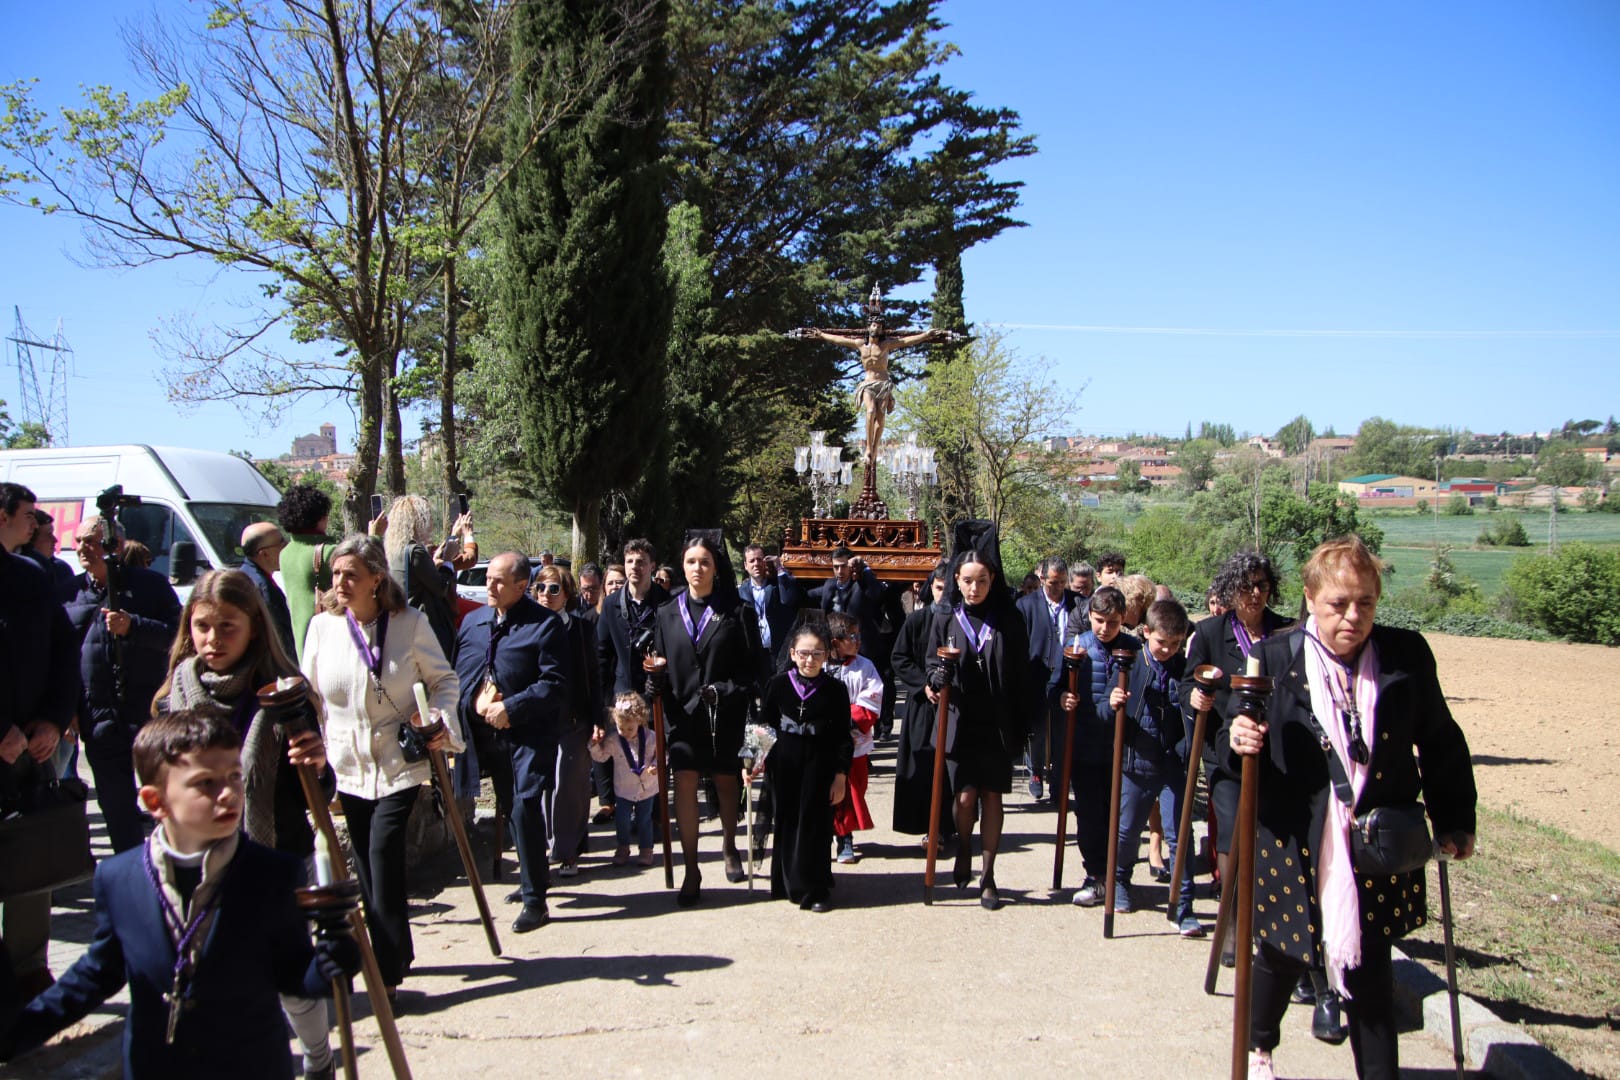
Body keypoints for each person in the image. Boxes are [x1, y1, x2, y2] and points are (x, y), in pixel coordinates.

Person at [1228, 535, 1477, 1080]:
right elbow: (1240, 725)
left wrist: (1454, 818)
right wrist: (1240, 733)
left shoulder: (1406, 654)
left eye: (1365, 602)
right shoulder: (1275, 656)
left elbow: (1439, 740)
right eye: (1339, 603)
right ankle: (1259, 1045)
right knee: (1283, 952)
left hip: (1374, 839)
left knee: (1371, 969)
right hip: (1295, 835)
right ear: (1311, 600)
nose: (1353, 616)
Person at [0, 712, 359, 1078]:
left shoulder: (273, 875)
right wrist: (17, 1034)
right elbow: (97, 974)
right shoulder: (120, 879)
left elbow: (294, 975)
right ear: (155, 802)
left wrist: (330, 965)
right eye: (205, 783)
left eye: (234, 776)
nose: (228, 794)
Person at [150, 569, 337, 1078]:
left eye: (227, 626)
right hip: (198, 864)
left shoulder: (282, 696)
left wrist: (317, 765)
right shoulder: (175, 695)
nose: (212, 640)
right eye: (202, 626)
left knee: (288, 979)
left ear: (254, 625)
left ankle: (318, 1060)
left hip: (275, 857)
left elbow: (321, 795)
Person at [301, 535, 461, 989]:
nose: (340, 582)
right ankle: (395, 950)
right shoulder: (322, 629)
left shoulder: (409, 623)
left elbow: (445, 681)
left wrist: (436, 720)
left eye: (350, 574)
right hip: (346, 767)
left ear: (376, 578)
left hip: (398, 763)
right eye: (335, 574)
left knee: (381, 854)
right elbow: (310, 695)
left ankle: (386, 975)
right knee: (367, 867)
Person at [1182, 554, 1301, 974]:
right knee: (1232, 836)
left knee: (1276, 837)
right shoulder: (1211, 632)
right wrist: (1195, 696)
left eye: (1263, 586)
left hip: (1277, 754)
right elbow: (1188, 680)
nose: (1255, 594)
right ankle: (1232, 921)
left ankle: (1277, 926)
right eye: (1248, 586)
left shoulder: (1287, 631)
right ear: (1231, 589)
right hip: (1225, 755)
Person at [452, 552, 570, 932]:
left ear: (522, 586)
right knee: (510, 807)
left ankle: (536, 901)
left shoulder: (546, 626)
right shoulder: (473, 622)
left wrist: (513, 708)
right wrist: (470, 703)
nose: (490, 585)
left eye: (499, 581)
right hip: (486, 737)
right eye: (488, 578)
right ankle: (532, 878)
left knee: (525, 805)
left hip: (529, 734)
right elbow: (457, 674)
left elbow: (554, 685)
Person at [647, 534, 759, 906]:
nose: (698, 568)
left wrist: (726, 690)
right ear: (682, 565)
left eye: (705, 562)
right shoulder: (666, 612)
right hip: (682, 716)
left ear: (716, 567)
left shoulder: (738, 611)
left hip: (724, 714)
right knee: (685, 785)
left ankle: (729, 844)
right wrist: (654, 675)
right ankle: (691, 868)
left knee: (727, 785)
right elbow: (658, 661)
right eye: (691, 561)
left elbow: (753, 670)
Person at [925, 531, 1032, 911]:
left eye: (982, 581)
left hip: (997, 721)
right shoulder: (945, 616)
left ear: (993, 580)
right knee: (965, 796)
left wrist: (1025, 719)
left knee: (992, 795)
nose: (974, 588)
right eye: (967, 581)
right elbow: (929, 664)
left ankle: (988, 876)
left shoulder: (1009, 618)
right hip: (959, 721)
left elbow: (1023, 671)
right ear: (956, 580)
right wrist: (934, 680)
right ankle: (964, 848)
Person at [67, 515, 182, 853]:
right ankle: (130, 871)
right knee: (116, 806)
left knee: (165, 797)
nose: (83, 549)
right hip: (97, 714)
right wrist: (67, 710)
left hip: (146, 709)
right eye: (78, 542)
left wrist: (134, 626)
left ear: (115, 546)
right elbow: (61, 656)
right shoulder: (69, 593)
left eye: (92, 542)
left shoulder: (150, 586)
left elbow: (177, 637)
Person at [0, 550, 79, 1002]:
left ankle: (28, 976)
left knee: (31, 869)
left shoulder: (28, 577)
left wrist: (52, 719)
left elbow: (62, 650)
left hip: (32, 750)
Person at [1107, 599, 1202, 936]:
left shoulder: (1187, 669)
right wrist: (1113, 702)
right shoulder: (1129, 665)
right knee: (1127, 831)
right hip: (1137, 762)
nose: (1167, 649)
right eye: (1162, 642)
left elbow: (1195, 716)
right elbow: (1107, 708)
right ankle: (1119, 881)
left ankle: (1183, 904)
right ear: (1146, 632)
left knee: (1180, 835)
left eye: (1175, 643)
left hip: (1174, 764)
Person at [757, 624, 852, 911]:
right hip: (783, 765)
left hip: (819, 766)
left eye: (816, 653)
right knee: (786, 822)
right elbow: (763, 726)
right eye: (804, 653)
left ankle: (816, 887)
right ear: (792, 653)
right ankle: (787, 882)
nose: (809, 660)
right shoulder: (777, 684)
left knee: (815, 825)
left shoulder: (835, 690)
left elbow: (842, 737)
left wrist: (840, 775)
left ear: (826, 656)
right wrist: (751, 761)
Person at [1059, 584, 1141, 907]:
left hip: (1125, 748)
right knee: (1090, 815)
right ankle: (1095, 876)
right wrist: (1063, 697)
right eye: (1098, 621)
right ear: (1089, 617)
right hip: (1085, 746)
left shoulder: (1135, 649)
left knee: (1120, 817)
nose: (1105, 629)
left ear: (1123, 620)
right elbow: (1055, 687)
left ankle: (1119, 876)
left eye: (1112, 622)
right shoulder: (1076, 647)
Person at [531, 563, 600, 879]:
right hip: (539, 721)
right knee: (544, 786)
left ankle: (567, 851)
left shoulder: (581, 629)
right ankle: (551, 846)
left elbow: (593, 676)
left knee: (568, 783)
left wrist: (598, 719)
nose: (546, 594)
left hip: (574, 718)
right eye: (540, 588)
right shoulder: (528, 629)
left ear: (567, 594)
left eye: (554, 588)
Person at [595, 540, 670, 824]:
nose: (634, 568)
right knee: (626, 758)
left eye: (641, 562)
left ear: (652, 566)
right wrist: (604, 703)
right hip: (623, 692)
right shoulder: (613, 603)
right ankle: (626, 816)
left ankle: (656, 815)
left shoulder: (667, 601)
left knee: (655, 754)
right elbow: (602, 654)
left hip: (657, 693)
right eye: (629, 562)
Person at [889, 563, 952, 841]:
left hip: (952, 706)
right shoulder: (917, 620)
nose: (943, 595)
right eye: (939, 588)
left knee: (950, 767)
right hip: (922, 704)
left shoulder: (961, 621)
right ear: (931, 588)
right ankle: (926, 825)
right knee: (922, 765)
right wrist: (923, 685)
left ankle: (946, 826)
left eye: (948, 589)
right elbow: (899, 658)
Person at [1016, 556, 1083, 804]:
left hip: (1066, 678)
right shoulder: (1026, 605)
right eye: (1053, 582)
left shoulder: (1078, 604)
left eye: (1063, 582)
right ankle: (1036, 772)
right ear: (1042, 578)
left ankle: (1058, 782)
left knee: (1062, 733)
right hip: (1036, 678)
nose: (1058, 588)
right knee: (1037, 731)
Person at [382, 494, 476, 662]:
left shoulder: (393, 551)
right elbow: (441, 586)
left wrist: (453, 537)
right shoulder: (416, 551)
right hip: (426, 628)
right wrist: (447, 560)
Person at [825, 612, 880, 864]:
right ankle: (825, 835)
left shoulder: (864, 667)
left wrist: (846, 721)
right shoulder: (820, 664)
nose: (858, 640)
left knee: (851, 792)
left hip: (854, 744)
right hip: (822, 742)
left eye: (859, 635)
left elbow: (872, 698)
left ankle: (845, 837)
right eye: (852, 636)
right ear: (835, 641)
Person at [588, 693, 659, 867]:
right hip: (623, 789)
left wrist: (657, 765)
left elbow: (662, 754)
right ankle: (623, 847)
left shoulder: (651, 738)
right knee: (622, 820)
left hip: (647, 788)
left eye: (630, 729)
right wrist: (594, 745)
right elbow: (602, 757)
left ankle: (646, 850)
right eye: (621, 728)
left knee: (644, 820)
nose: (625, 733)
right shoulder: (614, 740)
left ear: (640, 722)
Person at [276, 484, 337, 664]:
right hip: (328, 639)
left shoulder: (285, 553)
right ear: (319, 517)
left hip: (302, 643)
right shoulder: (328, 552)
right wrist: (374, 537)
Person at [737, 543, 807, 674]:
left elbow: (789, 599)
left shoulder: (777, 585)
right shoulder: (741, 592)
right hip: (755, 652)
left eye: (759, 559)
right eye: (751, 561)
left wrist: (779, 567)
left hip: (779, 650)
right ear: (746, 566)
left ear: (765, 562)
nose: (756, 564)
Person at [238, 522, 297, 660]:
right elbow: (281, 639)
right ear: (264, 554)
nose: (287, 545)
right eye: (281, 542)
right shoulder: (262, 589)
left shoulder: (245, 576)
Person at [21, 508, 79, 602]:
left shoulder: (60, 570)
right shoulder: (12, 569)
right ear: (30, 537)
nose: (55, 540)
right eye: (49, 534)